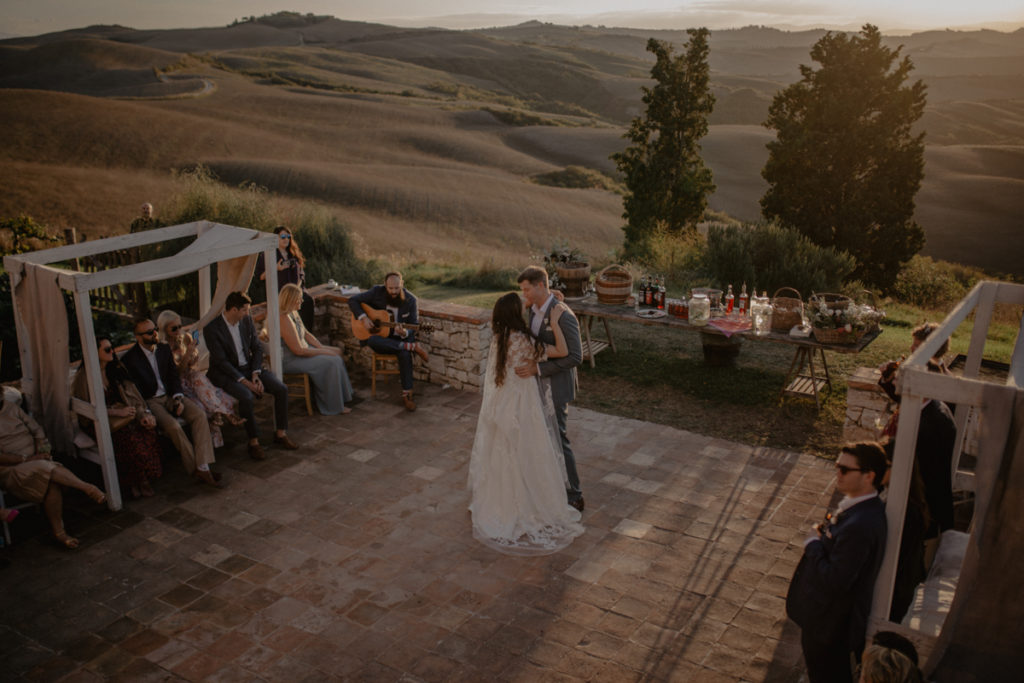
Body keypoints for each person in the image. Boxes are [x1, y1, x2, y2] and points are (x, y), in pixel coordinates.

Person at [468, 292, 584, 554]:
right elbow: (563, 351)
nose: (525, 303)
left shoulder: (500, 337)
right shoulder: (522, 340)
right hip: (523, 404)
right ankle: (527, 504)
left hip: (505, 401)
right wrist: (554, 321)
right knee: (528, 449)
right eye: (521, 304)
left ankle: (502, 502)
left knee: (505, 452)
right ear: (514, 313)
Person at [786, 442, 889, 683]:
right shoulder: (862, 510)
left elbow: (836, 580)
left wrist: (813, 545)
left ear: (868, 476)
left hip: (829, 627)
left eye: (845, 469)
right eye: (837, 466)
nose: (838, 473)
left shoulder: (861, 525)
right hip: (826, 622)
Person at [514, 265, 585, 511]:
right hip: (536, 387)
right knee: (542, 439)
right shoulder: (533, 310)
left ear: (541, 286)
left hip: (555, 386)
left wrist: (539, 370)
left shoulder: (562, 315)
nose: (524, 294)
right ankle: (549, 486)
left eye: (527, 289)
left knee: (559, 438)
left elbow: (575, 357)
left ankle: (574, 494)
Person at [121, 317, 222, 488]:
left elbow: (173, 376)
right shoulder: (130, 360)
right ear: (138, 337)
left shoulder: (163, 349)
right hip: (151, 401)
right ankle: (196, 469)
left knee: (199, 415)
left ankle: (203, 465)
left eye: (154, 330)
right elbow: (132, 391)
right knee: (174, 427)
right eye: (148, 332)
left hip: (170, 395)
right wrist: (143, 411)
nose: (154, 333)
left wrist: (177, 397)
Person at [0, 398, 106, 548]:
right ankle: (87, 488)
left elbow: (36, 429)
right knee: (45, 468)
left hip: (36, 459)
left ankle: (59, 533)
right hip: (12, 468)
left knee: (51, 481)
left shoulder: (10, 407)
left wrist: (42, 448)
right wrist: (27, 458)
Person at [203, 291, 295, 460]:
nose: (248, 313)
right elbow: (222, 362)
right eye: (244, 310)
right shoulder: (212, 329)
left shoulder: (246, 321)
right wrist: (246, 383)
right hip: (226, 373)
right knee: (246, 396)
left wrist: (255, 375)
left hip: (249, 368)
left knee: (281, 388)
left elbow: (257, 348)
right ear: (233, 310)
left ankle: (280, 433)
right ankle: (254, 442)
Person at [71, 337, 163, 498]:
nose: (112, 352)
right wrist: (115, 413)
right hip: (98, 421)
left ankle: (140, 479)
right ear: (94, 353)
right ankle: (138, 481)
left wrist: (141, 414)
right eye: (107, 350)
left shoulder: (115, 369)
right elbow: (85, 409)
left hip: (124, 415)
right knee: (128, 438)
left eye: (112, 348)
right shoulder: (84, 377)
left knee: (146, 430)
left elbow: (132, 396)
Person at [157, 310, 243, 448]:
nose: (179, 330)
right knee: (202, 405)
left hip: (194, 380)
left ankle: (221, 416)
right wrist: (187, 355)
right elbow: (176, 373)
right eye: (174, 328)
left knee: (198, 377)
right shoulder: (163, 348)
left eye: (180, 326)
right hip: (179, 386)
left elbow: (192, 367)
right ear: (164, 329)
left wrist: (193, 356)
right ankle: (224, 415)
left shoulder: (184, 339)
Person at [347, 272, 428, 412]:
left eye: (397, 288)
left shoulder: (411, 300)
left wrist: (405, 332)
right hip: (382, 339)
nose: (394, 291)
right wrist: (364, 318)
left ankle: (407, 396)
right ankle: (412, 347)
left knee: (404, 354)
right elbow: (352, 300)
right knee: (372, 339)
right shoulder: (376, 292)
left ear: (402, 285)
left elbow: (413, 324)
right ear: (385, 286)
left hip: (400, 339)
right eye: (390, 288)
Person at [277, 283, 354, 415]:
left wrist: (322, 347)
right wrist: (325, 352)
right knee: (332, 361)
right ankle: (333, 406)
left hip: (303, 351)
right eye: (299, 298)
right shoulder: (283, 318)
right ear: (290, 300)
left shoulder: (293, 312)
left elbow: (306, 334)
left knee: (337, 354)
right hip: (291, 359)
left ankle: (343, 398)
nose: (302, 301)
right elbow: (298, 350)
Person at [881, 440, 930, 623]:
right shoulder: (891, 492)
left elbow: (899, 560)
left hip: (894, 593)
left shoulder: (907, 510)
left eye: (883, 465)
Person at [255, 226, 315, 330]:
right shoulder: (268, 254)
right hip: (281, 294)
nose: (286, 239)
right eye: (283, 236)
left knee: (308, 301)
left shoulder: (293, 253)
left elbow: (301, 274)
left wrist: (296, 289)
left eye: (288, 236)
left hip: (297, 291)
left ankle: (306, 335)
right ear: (275, 238)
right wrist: (276, 268)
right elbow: (261, 276)